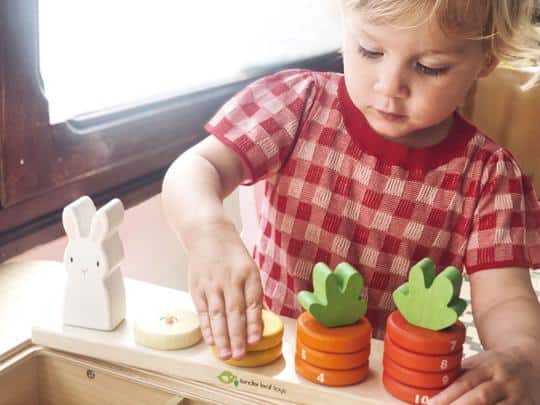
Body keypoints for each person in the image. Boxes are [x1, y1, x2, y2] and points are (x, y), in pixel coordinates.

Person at [162, 0, 540, 402]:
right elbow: (197, 167)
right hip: (271, 366)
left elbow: (506, 299)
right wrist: (207, 232)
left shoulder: (489, 175)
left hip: (381, 388)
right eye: (370, 51)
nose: (389, 86)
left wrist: (525, 356)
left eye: (430, 67)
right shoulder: (298, 103)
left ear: (487, 59)